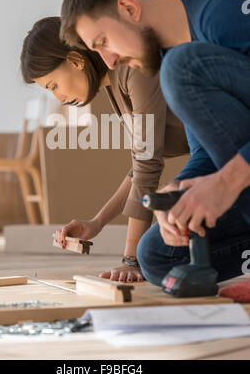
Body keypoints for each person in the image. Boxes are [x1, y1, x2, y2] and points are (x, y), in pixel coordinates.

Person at [59, 0, 250, 286]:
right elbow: (207, 152)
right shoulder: (174, 59)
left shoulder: (222, 12)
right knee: (157, 256)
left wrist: (225, 182)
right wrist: (178, 194)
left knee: (181, 70)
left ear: (130, 9)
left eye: (103, 42)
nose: (110, 60)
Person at [20, 16, 189, 283]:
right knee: (157, 248)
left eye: (54, 86)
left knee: (153, 255)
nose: (59, 98)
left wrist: (130, 260)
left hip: (234, 159)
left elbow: (147, 166)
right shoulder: (112, 81)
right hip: (218, 159)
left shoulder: (132, 69)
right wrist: (96, 223)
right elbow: (139, 165)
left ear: (75, 60)